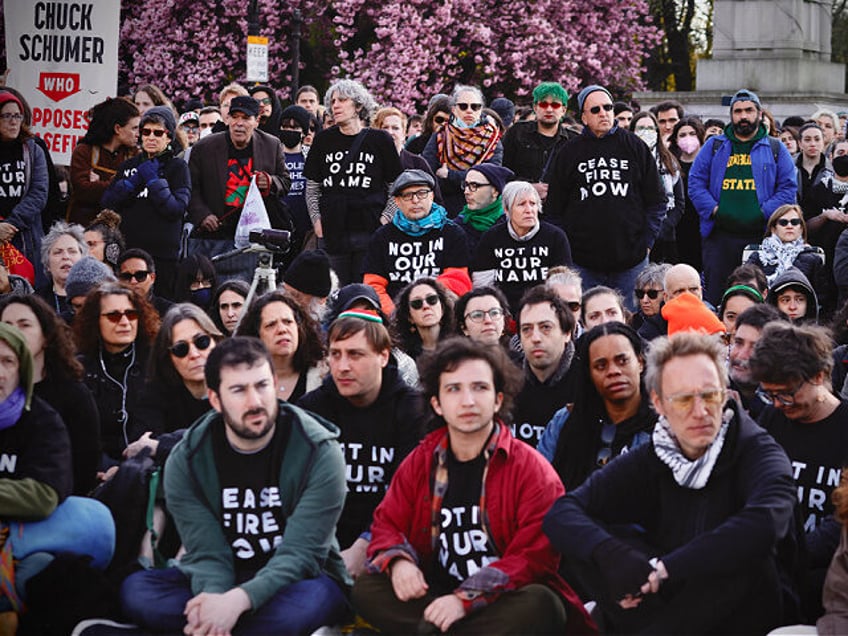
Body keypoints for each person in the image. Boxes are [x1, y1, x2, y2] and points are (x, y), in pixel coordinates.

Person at [543, 331, 797, 633]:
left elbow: (767, 521)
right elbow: (563, 512)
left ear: (727, 394)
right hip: (667, 599)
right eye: (684, 400)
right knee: (600, 539)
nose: (700, 412)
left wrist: (665, 569)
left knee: (745, 556)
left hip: (743, 610)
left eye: (710, 395)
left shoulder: (755, 448)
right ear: (659, 404)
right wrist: (616, 558)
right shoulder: (658, 452)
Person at [351, 337, 593, 635]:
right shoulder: (421, 461)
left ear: (498, 399)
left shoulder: (532, 469)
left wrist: (464, 601)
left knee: (542, 603)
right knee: (367, 587)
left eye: (480, 387)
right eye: (454, 389)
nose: (468, 401)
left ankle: (431, 631)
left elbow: (535, 558)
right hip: (434, 595)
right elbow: (387, 522)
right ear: (437, 404)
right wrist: (399, 562)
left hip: (503, 598)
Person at [120, 337, 351, 634]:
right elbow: (207, 551)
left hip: (298, 579)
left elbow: (302, 554)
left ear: (275, 383)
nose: (255, 402)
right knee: (138, 592)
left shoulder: (319, 451)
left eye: (262, 386)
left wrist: (239, 601)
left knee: (297, 611)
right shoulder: (187, 459)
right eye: (239, 390)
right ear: (215, 399)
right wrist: (216, 602)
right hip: (223, 571)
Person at [299, 311, 426, 577]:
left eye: (355, 354)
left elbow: (407, 493)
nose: (343, 366)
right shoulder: (312, 409)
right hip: (322, 545)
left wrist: (365, 544)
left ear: (383, 356)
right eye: (335, 354)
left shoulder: (412, 408)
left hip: (393, 542)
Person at [751, 322, 848, 620]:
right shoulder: (770, 420)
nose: (780, 404)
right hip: (773, 580)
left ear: (819, 375)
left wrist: (797, 553)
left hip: (831, 586)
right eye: (770, 394)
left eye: (787, 393)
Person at [544, 85, 666, 310]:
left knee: (629, 324)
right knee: (587, 324)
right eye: (596, 109)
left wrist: (647, 243)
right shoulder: (569, 152)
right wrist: (568, 251)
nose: (604, 113)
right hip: (583, 265)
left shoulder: (634, 146)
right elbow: (553, 210)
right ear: (583, 117)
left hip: (632, 261)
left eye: (608, 107)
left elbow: (657, 200)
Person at [687, 88, 797, 305]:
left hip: (761, 238)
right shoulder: (714, 145)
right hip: (719, 237)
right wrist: (715, 210)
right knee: (717, 298)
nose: (743, 116)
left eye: (749, 110)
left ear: (759, 114)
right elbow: (695, 182)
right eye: (738, 111)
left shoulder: (775, 147)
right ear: (731, 115)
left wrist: (762, 212)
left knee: (757, 297)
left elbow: (788, 188)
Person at [0, 322, 73, 620]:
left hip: (25, 541)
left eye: (7, 361)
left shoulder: (43, 421)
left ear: (22, 369)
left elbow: (43, 495)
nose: (0, 372)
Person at [303, 79, 401, 285]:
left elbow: (396, 185)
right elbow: (312, 186)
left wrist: (385, 219)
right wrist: (317, 222)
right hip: (333, 231)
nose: (335, 105)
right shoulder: (323, 140)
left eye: (342, 100)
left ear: (358, 106)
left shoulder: (380, 140)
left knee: (366, 291)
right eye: (332, 101)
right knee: (335, 292)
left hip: (370, 229)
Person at [0, 294, 99, 495]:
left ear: (46, 336)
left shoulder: (72, 395)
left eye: (24, 325)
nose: (15, 332)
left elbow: (85, 466)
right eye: (7, 325)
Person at [539, 322, 656, 491]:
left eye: (622, 361)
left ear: (640, 362)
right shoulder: (565, 421)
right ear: (590, 374)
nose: (613, 371)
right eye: (601, 366)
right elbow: (540, 490)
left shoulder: (665, 429)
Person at [187, 95, 290, 281]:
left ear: (256, 121)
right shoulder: (205, 147)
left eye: (246, 118)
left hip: (253, 238)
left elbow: (285, 182)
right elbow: (190, 188)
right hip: (214, 235)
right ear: (228, 119)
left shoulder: (271, 145)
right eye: (235, 117)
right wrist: (202, 215)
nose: (239, 123)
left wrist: (270, 182)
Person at [101, 106, 190, 299]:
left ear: (169, 138)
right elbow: (108, 203)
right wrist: (131, 183)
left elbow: (176, 209)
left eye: (158, 133)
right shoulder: (128, 166)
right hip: (129, 253)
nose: (151, 137)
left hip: (162, 258)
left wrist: (154, 182)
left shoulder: (178, 167)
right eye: (146, 132)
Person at [74, 282, 159, 468]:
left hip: (150, 464)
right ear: (95, 320)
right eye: (114, 316)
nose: (125, 322)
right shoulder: (78, 368)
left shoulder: (157, 361)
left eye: (131, 314)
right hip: (94, 468)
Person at [363, 169, 469, 314]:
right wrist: (395, 316)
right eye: (407, 195)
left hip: (440, 310)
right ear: (397, 202)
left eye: (421, 193)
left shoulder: (452, 233)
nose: (415, 200)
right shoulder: (382, 237)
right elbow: (373, 285)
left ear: (431, 196)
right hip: (395, 315)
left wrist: (425, 304)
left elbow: (459, 281)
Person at [129, 303, 221, 465]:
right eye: (181, 349)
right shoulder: (153, 394)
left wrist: (161, 445)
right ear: (168, 356)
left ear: (215, 342)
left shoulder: (235, 386)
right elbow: (142, 446)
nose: (193, 354)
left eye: (202, 342)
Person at [471, 180, 571, 316]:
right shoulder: (491, 238)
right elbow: (483, 286)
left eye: (533, 204)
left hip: (547, 311)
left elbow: (563, 284)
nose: (529, 210)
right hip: (504, 314)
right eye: (521, 204)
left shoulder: (555, 236)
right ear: (507, 209)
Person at [423, 85, 504, 216]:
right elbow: (428, 171)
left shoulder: (492, 139)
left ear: (481, 109)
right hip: (444, 205)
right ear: (454, 110)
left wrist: (450, 175)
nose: (469, 111)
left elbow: (489, 176)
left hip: (480, 209)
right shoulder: (441, 134)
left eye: (475, 106)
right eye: (463, 106)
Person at [513, 285, 575, 447]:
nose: (535, 338)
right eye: (526, 329)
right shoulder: (507, 382)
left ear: (567, 333)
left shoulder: (587, 381)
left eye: (545, 327)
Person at [235, 291, 325, 403]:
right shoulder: (239, 380)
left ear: (299, 329)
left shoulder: (323, 377)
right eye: (271, 325)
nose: (282, 330)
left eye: (288, 322)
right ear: (257, 335)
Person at [0, 92, 49, 287]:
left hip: (24, 236)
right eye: (6, 116)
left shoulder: (32, 149)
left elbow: (39, 193)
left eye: (17, 116)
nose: (13, 122)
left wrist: (10, 225)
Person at [67, 97, 140, 226]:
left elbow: (135, 192)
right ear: (117, 129)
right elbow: (82, 190)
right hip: (84, 228)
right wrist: (119, 183)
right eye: (134, 128)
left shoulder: (134, 155)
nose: (138, 134)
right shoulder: (84, 151)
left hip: (119, 229)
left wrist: (99, 183)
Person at [747, 203, 830, 311]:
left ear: (801, 229)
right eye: (783, 222)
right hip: (763, 314)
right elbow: (747, 290)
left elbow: (821, 298)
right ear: (773, 228)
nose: (789, 226)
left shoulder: (813, 259)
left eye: (795, 222)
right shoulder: (757, 257)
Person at [501, 81, 574, 198]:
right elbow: (503, 171)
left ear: (563, 110)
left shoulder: (573, 140)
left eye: (555, 105)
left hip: (559, 210)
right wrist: (528, 187)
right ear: (535, 107)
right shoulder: (517, 132)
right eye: (543, 104)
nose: (549, 109)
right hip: (520, 204)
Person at [631, 111, 684, 264]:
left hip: (665, 236)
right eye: (641, 128)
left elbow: (679, 202)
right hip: (634, 237)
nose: (646, 132)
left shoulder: (668, 161)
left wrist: (661, 228)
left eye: (650, 128)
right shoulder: (624, 161)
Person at [727, 303, 783, 419]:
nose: (742, 355)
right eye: (738, 343)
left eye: (755, 347)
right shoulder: (710, 394)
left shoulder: (784, 407)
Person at [668, 117, 706, 271]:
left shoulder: (708, 163)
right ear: (676, 139)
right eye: (682, 135)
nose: (688, 139)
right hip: (678, 228)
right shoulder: (671, 164)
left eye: (692, 134)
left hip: (701, 226)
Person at [454, 163, 513, 253]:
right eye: (466, 185)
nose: (466, 192)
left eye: (474, 186)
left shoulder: (512, 225)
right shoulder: (455, 227)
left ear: (495, 191)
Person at [35, 220, 88, 318]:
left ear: (83, 258)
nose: (65, 257)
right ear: (47, 264)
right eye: (58, 252)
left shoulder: (96, 297)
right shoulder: (35, 302)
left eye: (72, 251)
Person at [117, 248, 174, 316]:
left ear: (152, 278)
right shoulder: (111, 309)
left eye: (140, 275)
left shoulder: (170, 312)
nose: (133, 281)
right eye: (126, 276)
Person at [281, 248, 333, 323]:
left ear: (321, 300)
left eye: (296, 296)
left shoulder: (331, 331)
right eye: (285, 293)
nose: (288, 301)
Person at [796, 123, 829, 215]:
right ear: (800, 143)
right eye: (807, 140)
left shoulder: (833, 171)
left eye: (817, 139)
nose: (813, 144)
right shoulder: (789, 168)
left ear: (823, 142)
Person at [628, 262, 669, 333]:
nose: (644, 300)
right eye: (640, 293)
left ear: (667, 294)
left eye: (652, 294)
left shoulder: (676, 322)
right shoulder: (633, 323)